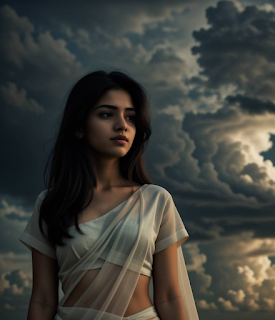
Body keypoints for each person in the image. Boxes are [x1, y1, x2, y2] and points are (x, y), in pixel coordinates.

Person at [19, 70, 199, 320]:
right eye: (106, 114)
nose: (122, 125)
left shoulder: (156, 200)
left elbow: (169, 295)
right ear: (80, 127)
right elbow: (42, 299)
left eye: (131, 117)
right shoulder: (52, 203)